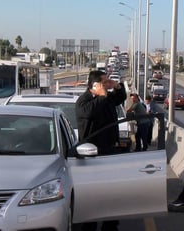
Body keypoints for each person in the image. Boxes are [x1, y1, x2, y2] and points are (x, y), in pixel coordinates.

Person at [75, 70, 126, 231]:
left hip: (109, 151)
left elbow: (120, 98)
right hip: (91, 155)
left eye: (107, 83)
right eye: (103, 83)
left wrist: (117, 86)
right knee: (93, 195)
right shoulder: (83, 101)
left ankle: (110, 224)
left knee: (111, 193)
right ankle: (89, 225)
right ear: (94, 85)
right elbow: (90, 112)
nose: (106, 86)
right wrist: (102, 96)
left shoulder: (107, 98)